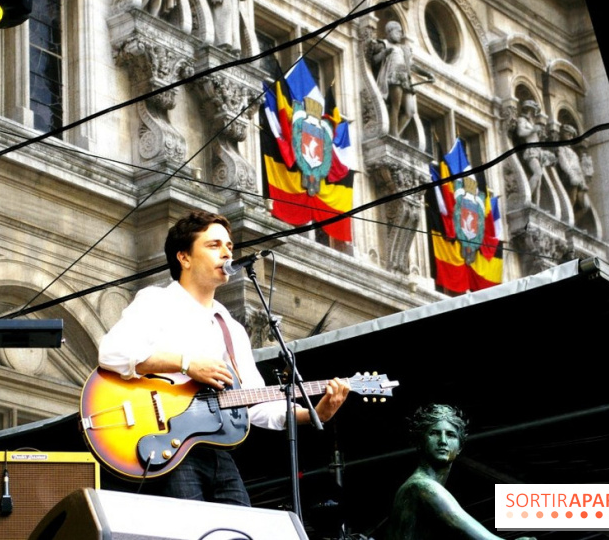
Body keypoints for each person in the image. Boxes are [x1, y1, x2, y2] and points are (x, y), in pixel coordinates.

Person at [97, 210, 349, 505]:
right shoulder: (157, 301)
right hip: (168, 440)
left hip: (216, 447)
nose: (226, 253)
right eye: (213, 245)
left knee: (240, 531)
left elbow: (256, 403)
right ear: (184, 257)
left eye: (229, 246)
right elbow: (112, 352)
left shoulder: (231, 328)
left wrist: (315, 414)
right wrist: (187, 364)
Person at [384, 404, 535, 540]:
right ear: (419, 442)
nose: (443, 441)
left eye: (450, 435)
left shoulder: (420, 487)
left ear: (460, 447)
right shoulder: (422, 487)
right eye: (434, 433)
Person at [370, 21, 434, 139]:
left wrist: (427, 74)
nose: (400, 34)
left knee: (410, 111)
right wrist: (384, 53)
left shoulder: (404, 49)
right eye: (398, 32)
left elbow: (412, 65)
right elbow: (374, 61)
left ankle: (395, 134)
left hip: (405, 80)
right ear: (390, 32)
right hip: (393, 77)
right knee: (396, 105)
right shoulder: (383, 44)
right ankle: (394, 135)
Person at [513, 100, 555, 203]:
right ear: (529, 109)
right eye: (533, 110)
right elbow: (520, 132)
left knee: (539, 181)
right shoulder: (522, 120)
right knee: (538, 173)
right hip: (530, 151)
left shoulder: (531, 122)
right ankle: (526, 199)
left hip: (537, 152)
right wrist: (533, 130)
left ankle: (536, 204)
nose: (533, 113)